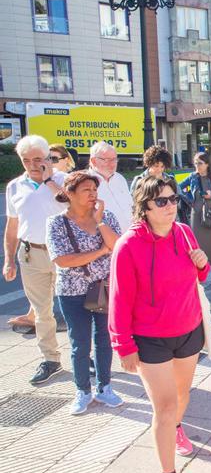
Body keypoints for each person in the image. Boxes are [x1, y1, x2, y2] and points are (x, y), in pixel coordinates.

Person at [110, 176, 210, 473]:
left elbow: (200, 277)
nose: (170, 206)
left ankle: (177, 429)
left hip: (189, 329)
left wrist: (203, 263)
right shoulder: (129, 244)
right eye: (161, 201)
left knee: (181, 396)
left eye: (173, 199)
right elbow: (119, 298)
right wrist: (123, 346)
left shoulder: (184, 232)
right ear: (145, 207)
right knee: (165, 407)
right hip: (150, 338)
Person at [47, 171, 124, 414]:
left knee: (104, 339)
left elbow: (118, 246)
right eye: (86, 190)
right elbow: (63, 260)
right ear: (69, 194)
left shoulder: (105, 216)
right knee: (79, 342)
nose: (93, 194)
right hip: (72, 291)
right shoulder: (57, 223)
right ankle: (82, 390)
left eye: (94, 190)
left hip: (103, 287)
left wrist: (100, 221)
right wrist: (100, 252)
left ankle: (105, 387)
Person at [4, 135, 66, 384]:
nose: (32, 164)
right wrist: (9, 259)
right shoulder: (15, 186)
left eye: (38, 159)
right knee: (42, 312)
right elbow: (12, 226)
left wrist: (50, 180)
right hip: (31, 253)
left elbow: (76, 207)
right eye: (26, 160)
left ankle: (84, 356)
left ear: (48, 158)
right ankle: (50, 358)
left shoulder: (63, 180)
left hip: (63, 253)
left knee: (76, 308)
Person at [179, 152, 211, 287]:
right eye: (195, 163)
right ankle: (197, 274)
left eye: (200, 163)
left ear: (207, 164)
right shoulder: (192, 176)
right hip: (197, 213)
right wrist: (189, 199)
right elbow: (177, 187)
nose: (197, 166)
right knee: (196, 245)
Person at [89, 141, 133, 232]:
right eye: (107, 160)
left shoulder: (120, 179)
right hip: (105, 241)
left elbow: (131, 206)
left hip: (130, 237)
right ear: (93, 161)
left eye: (114, 159)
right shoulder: (85, 183)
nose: (112, 164)